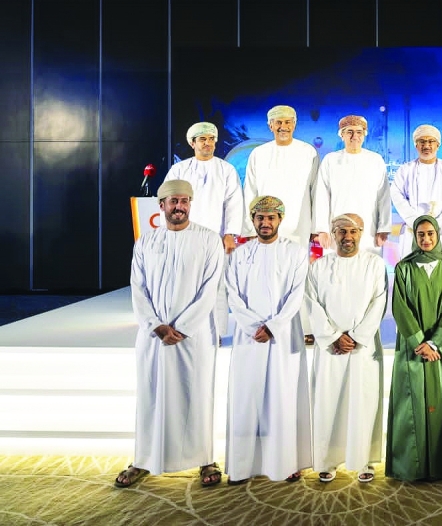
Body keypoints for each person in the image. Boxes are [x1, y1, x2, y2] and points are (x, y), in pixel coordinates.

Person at [115, 179, 224, 489]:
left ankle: (205, 458)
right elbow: (138, 287)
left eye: (185, 201)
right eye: (173, 201)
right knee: (151, 395)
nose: (179, 206)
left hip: (195, 334)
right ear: (161, 205)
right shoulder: (146, 242)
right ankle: (143, 459)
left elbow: (210, 288)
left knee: (198, 394)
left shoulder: (208, 240)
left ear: (190, 204)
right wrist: (156, 325)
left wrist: (183, 326)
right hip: (154, 336)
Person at [224, 195, 311, 485]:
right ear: (253, 220)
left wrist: (273, 326)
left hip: (283, 336)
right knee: (245, 399)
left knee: (282, 398)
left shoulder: (295, 253)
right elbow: (232, 295)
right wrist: (253, 325)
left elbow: (296, 295)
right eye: (260, 218)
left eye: (271, 217)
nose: (265, 223)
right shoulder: (239, 255)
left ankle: (285, 463)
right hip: (248, 337)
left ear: (280, 220)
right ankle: (241, 466)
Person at [385, 215, 442, 481]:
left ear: (438, 234)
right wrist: (419, 342)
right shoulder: (403, 268)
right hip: (412, 348)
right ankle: (411, 465)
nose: (426, 239)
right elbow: (400, 307)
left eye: (430, 234)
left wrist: (435, 342)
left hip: (440, 348)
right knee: (411, 404)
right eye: (421, 234)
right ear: (414, 236)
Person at [307, 213, 388, 483]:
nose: (347, 237)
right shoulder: (319, 266)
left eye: (353, 231)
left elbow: (378, 303)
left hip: (362, 349)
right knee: (328, 402)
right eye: (341, 231)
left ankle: (363, 459)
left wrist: (356, 336)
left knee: (363, 402)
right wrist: (332, 336)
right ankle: (328, 460)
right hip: (331, 349)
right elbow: (312, 303)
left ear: (362, 233)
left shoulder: (374, 265)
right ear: (332, 233)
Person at [243, 104, 320, 341]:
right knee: (267, 277)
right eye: (278, 122)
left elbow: (316, 191)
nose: (283, 127)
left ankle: (306, 329)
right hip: (265, 229)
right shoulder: (259, 153)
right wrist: (249, 228)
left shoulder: (309, 152)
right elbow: (250, 191)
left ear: (295, 124)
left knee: (301, 278)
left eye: (288, 122)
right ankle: (266, 325)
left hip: (300, 225)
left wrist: (316, 228)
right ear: (270, 126)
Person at [163, 121, 243, 340]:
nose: (208, 143)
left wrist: (230, 233)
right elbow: (168, 201)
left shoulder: (226, 169)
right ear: (192, 143)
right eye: (203, 139)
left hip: (217, 237)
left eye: (211, 139)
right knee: (184, 284)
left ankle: (215, 332)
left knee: (216, 286)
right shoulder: (179, 170)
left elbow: (234, 202)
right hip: (184, 236)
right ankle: (185, 328)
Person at [314, 114, 391, 255]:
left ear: (364, 135)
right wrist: (322, 229)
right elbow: (321, 197)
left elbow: (384, 196)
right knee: (335, 272)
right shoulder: (330, 160)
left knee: (369, 270)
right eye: (349, 132)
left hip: (369, 231)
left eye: (359, 132)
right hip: (336, 230)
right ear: (341, 135)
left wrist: (383, 228)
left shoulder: (375, 160)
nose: (354, 136)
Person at [390, 124, 442, 260]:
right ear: (416, 145)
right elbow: (397, 196)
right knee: (412, 275)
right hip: (412, 230)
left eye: (431, 141)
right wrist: (415, 222)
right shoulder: (405, 170)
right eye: (422, 141)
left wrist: (437, 225)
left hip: (441, 230)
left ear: (438, 145)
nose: (427, 146)